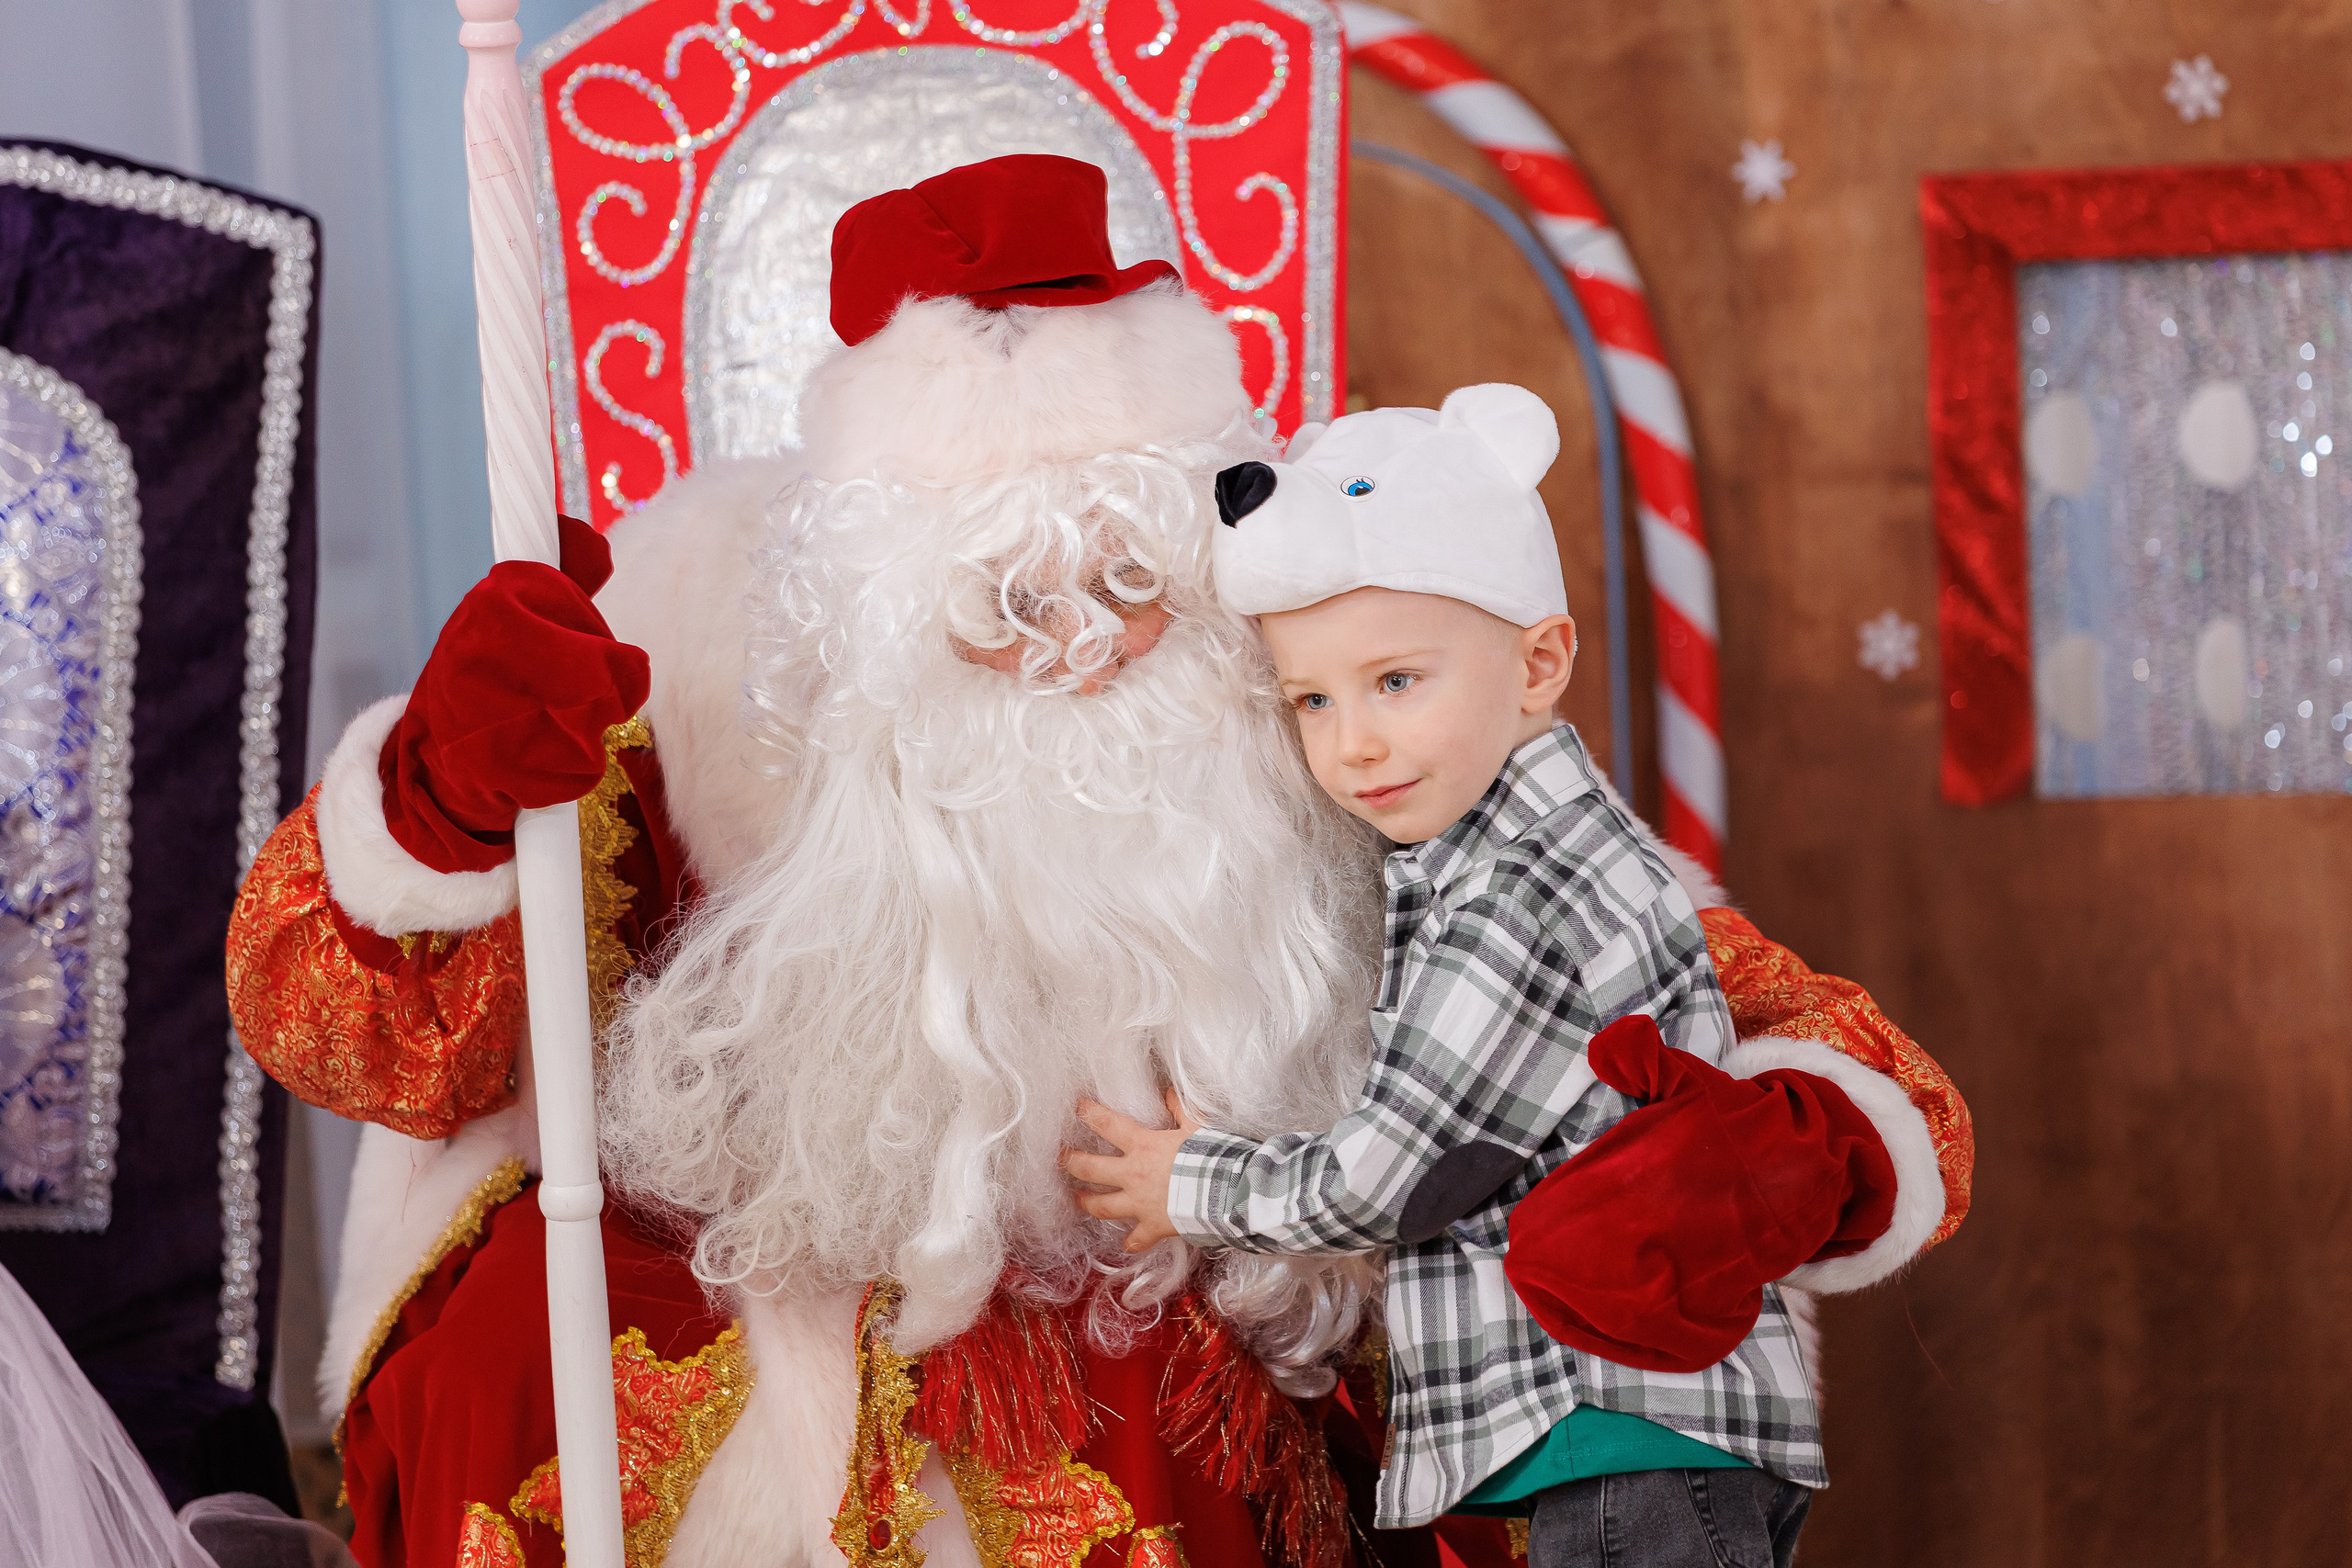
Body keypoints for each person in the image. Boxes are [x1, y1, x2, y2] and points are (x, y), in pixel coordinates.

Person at [225, 158, 1969, 1568]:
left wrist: (1798, 1141)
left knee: (1190, 1403)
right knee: (540, 1339)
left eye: (1131, 584)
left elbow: (1739, 994)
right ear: (893, 621)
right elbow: (329, 1027)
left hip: (1207, 1293)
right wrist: (443, 798)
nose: (1082, 648)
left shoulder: (1336, 696)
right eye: (1007, 602)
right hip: (743, 1258)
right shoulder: (686, 661)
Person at [1064, 387, 1907, 1568]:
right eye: (1313, 699)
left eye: (1396, 681)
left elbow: (1393, 1173)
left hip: (1625, 1434)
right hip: (1645, 1436)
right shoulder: (1509, 860)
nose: (1352, 740)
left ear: (1537, 662)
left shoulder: (1513, 898)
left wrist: (1191, 1184)